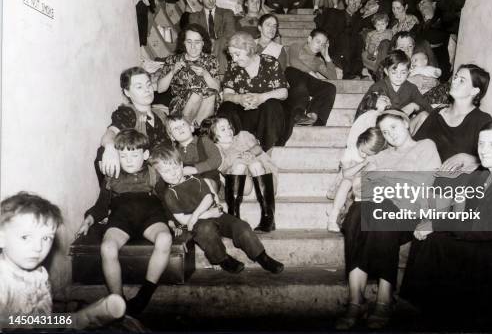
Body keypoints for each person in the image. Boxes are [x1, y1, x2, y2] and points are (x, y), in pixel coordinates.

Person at [400, 121, 492, 330]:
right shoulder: (482, 174)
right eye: (481, 144)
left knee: (436, 242)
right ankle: (430, 312)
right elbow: (467, 216)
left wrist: (437, 225)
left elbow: (488, 227)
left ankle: (431, 314)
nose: (483, 150)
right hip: (482, 242)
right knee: (428, 238)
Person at [336, 110, 441, 330]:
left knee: (380, 209)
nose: (390, 134)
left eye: (393, 127)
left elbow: (428, 184)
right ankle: (356, 301)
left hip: (409, 213)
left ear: (405, 123)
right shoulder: (380, 156)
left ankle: (384, 299)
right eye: (384, 131)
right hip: (378, 211)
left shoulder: (425, 146)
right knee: (357, 213)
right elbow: (359, 187)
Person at [77, 129, 173, 316]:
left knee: (164, 239)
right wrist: (88, 220)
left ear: (145, 155)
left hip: (151, 217)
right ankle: (117, 300)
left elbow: (165, 200)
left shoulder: (154, 174)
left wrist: (171, 220)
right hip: (121, 219)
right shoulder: (112, 177)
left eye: (134, 155)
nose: (128, 160)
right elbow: (101, 205)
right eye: (123, 155)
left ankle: (145, 294)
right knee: (107, 248)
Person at [150, 144, 284, 274]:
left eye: (175, 168)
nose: (173, 174)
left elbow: (208, 197)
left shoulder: (195, 179)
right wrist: (206, 215)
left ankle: (262, 256)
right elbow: (184, 220)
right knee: (206, 231)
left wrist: (197, 214)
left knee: (240, 226)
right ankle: (222, 259)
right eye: (166, 171)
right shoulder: (170, 194)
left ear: (181, 165)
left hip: (212, 215)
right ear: (159, 174)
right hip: (198, 224)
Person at [0, 193, 127, 329]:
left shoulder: (40, 273)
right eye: (25, 237)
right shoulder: (3, 281)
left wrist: (57, 322)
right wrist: (75, 319)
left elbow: (44, 318)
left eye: (46, 238)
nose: (38, 248)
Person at [413, 64, 492, 172]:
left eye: (462, 80)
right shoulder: (437, 113)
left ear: (474, 91)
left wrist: (470, 159)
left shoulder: (482, 120)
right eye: (455, 77)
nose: (454, 82)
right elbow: (415, 147)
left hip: (455, 184)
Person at [98, 67, 171, 185]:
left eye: (148, 84)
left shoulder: (160, 114)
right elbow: (111, 132)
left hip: (169, 171)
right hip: (144, 180)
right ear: (127, 92)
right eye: (139, 87)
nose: (147, 90)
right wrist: (110, 147)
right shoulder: (127, 113)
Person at [217, 32, 288, 151]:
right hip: (243, 111)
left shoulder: (270, 62)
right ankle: (236, 147)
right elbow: (226, 95)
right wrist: (239, 98)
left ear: (249, 50)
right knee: (226, 106)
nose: (234, 59)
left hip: (266, 112)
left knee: (272, 105)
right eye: (231, 55)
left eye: (237, 54)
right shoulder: (233, 66)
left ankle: (264, 149)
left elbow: (283, 92)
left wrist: (261, 97)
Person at [210, 117, 279, 232]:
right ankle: (234, 216)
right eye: (223, 129)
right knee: (239, 165)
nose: (229, 130)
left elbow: (258, 148)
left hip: (263, 175)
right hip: (241, 183)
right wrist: (237, 158)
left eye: (229, 127)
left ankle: (268, 217)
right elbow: (222, 168)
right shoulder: (216, 148)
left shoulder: (242, 136)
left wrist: (249, 153)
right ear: (214, 135)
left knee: (255, 164)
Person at [156, 24, 220, 126]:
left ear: (203, 43)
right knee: (197, 94)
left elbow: (217, 89)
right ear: (183, 43)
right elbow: (160, 89)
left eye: (197, 42)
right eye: (189, 42)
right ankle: (187, 128)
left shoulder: (210, 60)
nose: (193, 46)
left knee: (211, 94)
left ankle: (196, 132)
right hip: (181, 105)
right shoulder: (173, 60)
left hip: (207, 104)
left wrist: (205, 74)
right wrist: (172, 71)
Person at [327, 127, 386, 232]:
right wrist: (363, 163)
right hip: (343, 186)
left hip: (359, 189)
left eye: (369, 154)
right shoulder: (350, 151)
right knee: (347, 182)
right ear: (359, 142)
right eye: (362, 151)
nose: (364, 155)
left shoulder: (377, 157)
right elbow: (346, 174)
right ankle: (333, 215)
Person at [355, 51, 432, 118]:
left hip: (403, 127)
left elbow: (428, 109)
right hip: (381, 127)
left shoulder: (411, 88)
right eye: (394, 72)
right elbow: (362, 110)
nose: (399, 76)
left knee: (424, 116)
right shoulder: (378, 87)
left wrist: (414, 106)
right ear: (386, 71)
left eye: (403, 72)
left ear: (409, 72)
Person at [286, 29, 338, 126]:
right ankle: (298, 113)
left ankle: (318, 120)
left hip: (307, 83)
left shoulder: (317, 61)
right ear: (310, 39)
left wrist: (326, 57)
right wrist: (311, 73)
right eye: (318, 41)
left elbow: (333, 77)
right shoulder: (296, 46)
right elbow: (294, 62)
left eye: (323, 44)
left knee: (330, 88)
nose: (319, 46)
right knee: (293, 71)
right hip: (291, 79)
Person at [315, 0, 370, 79]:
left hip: (351, 50)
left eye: (358, 2)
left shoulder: (359, 20)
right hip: (335, 48)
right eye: (352, 1)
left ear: (360, 6)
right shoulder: (335, 14)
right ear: (347, 1)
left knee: (358, 39)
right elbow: (325, 31)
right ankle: (347, 73)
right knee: (346, 36)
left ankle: (357, 72)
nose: (354, 4)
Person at [187, 0, 237, 75]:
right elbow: (195, 36)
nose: (211, 0)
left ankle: (220, 76)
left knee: (222, 42)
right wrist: (209, 42)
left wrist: (215, 43)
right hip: (203, 49)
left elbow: (230, 34)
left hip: (223, 49)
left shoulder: (227, 13)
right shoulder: (194, 17)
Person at [165, 115, 223, 192]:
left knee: (207, 183)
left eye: (183, 124)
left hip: (208, 177)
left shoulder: (204, 141)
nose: (180, 128)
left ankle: (213, 199)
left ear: (191, 128)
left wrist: (196, 169)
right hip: (188, 183)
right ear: (172, 137)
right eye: (175, 128)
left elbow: (216, 159)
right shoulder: (174, 152)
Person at [417, 0, 452, 82]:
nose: (421, 6)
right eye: (419, 5)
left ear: (434, 4)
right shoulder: (419, 26)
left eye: (424, 2)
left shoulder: (444, 19)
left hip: (439, 58)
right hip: (420, 58)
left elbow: (452, 36)